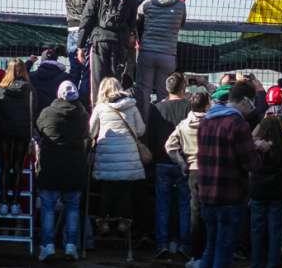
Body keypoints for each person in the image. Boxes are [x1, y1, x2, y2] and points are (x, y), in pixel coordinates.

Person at [197, 81, 270, 268]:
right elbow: (251, 163)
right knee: (225, 249)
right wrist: (260, 149)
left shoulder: (206, 121)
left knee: (210, 246)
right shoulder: (238, 124)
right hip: (230, 196)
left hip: (206, 193)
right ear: (246, 100)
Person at [35, 80, 89, 262]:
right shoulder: (82, 115)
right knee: (73, 207)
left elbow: (39, 128)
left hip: (50, 166)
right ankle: (71, 246)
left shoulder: (47, 113)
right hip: (74, 167)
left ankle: (48, 246)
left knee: (48, 207)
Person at [89, 76, 146, 235]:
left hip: (107, 158)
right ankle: (124, 222)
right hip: (128, 159)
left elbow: (90, 132)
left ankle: (103, 222)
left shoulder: (100, 108)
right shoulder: (132, 106)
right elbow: (141, 130)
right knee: (125, 191)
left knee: (107, 190)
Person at [75, 0, 137, 104]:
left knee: (97, 82)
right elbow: (132, 23)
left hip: (99, 41)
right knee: (116, 82)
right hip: (120, 42)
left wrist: (80, 46)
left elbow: (87, 19)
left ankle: (98, 113)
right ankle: (115, 110)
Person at [148, 73, 191, 260]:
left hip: (162, 161)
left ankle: (162, 244)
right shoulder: (190, 107)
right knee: (184, 205)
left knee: (163, 205)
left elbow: (150, 136)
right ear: (183, 87)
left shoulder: (156, 109)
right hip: (184, 161)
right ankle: (184, 245)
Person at [249, 87, 282, 268]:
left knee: (257, 230)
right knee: (276, 231)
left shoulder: (256, 145)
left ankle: (257, 262)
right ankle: (273, 263)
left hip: (258, 192)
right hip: (278, 192)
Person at [166, 90, 210, 266]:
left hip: (193, 170)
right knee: (213, 212)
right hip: (212, 169)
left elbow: (169, 146)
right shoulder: (212, 123)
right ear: (207, 104)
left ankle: (196, 255)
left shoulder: (183, 125)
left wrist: (182, 163)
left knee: (195, 214)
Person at [137, 0, 187, 117]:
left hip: (147, 52)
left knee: (143, 91)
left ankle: (144, 126)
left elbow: (137, 20)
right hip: (168, 54)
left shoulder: (147, 4)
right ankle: (161, 124)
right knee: (164, 93)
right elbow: (181, 23)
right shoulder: (181, 6)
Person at [0, 59, 38, 216]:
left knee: (5, 166)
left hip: (5, 132)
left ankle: (4, 201)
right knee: (19, 166)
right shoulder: (30, 88)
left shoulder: (1, 88)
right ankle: (15, 202)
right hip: (22, 132)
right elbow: (34, 109)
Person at [63, 0, 99, 101]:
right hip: (86, 32)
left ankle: (68, 100)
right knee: (87, 72)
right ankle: (83, 103)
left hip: (71, 30)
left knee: (74, 70)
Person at [28, 48, 71, 115]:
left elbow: (19, 75)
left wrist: (29, 62)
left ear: (42, 60)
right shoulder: (65, 77)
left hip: (37, 115)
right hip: (58, 115)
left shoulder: (32, 76)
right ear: (56, 59)